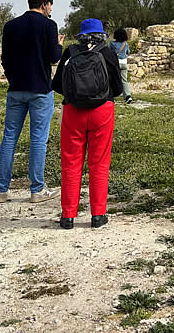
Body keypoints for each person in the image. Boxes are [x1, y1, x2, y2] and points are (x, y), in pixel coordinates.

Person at [0, 0, 63, 204]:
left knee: (9, 138)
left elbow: (5, 59)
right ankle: (37, 189)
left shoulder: (10, 26)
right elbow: (54, 57)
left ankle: (2, 190)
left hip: (15, 88)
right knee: (38, 140)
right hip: (40, 89)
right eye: (50, 6)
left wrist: (12, 78)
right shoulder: (48, 25)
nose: (51, 11)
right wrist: (59, 45)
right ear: (44, 4)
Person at [58, 19, 122, 230]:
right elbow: (118, 88)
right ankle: (98, 214)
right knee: (99, 163)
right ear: (102, 35)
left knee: (70, 162)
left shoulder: (70, 53)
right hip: (101, 112)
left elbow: (57, 84)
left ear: (80, 36)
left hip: (73, 112)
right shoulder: (107, 53)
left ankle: (68, 216)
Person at [110, 28, 134, 105]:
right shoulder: (125, 44)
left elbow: (110, 53)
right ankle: (127, 96)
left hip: (115, 64)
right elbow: (128, 52)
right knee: (124, 80)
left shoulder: (112, 44)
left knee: (111, 80)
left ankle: (111, 96)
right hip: (124, 63)